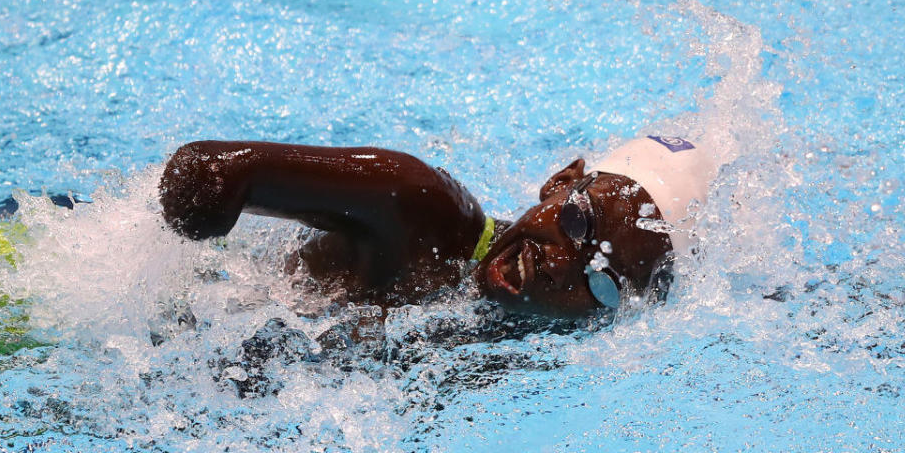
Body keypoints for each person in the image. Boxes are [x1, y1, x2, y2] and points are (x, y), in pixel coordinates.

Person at [158, 136, 715, 318]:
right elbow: (208, 169)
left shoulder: (550, 334)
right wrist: (199, 208)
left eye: (605, 282)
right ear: (559, 182)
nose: (565, 261)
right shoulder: (421, 209)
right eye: (576, 220)